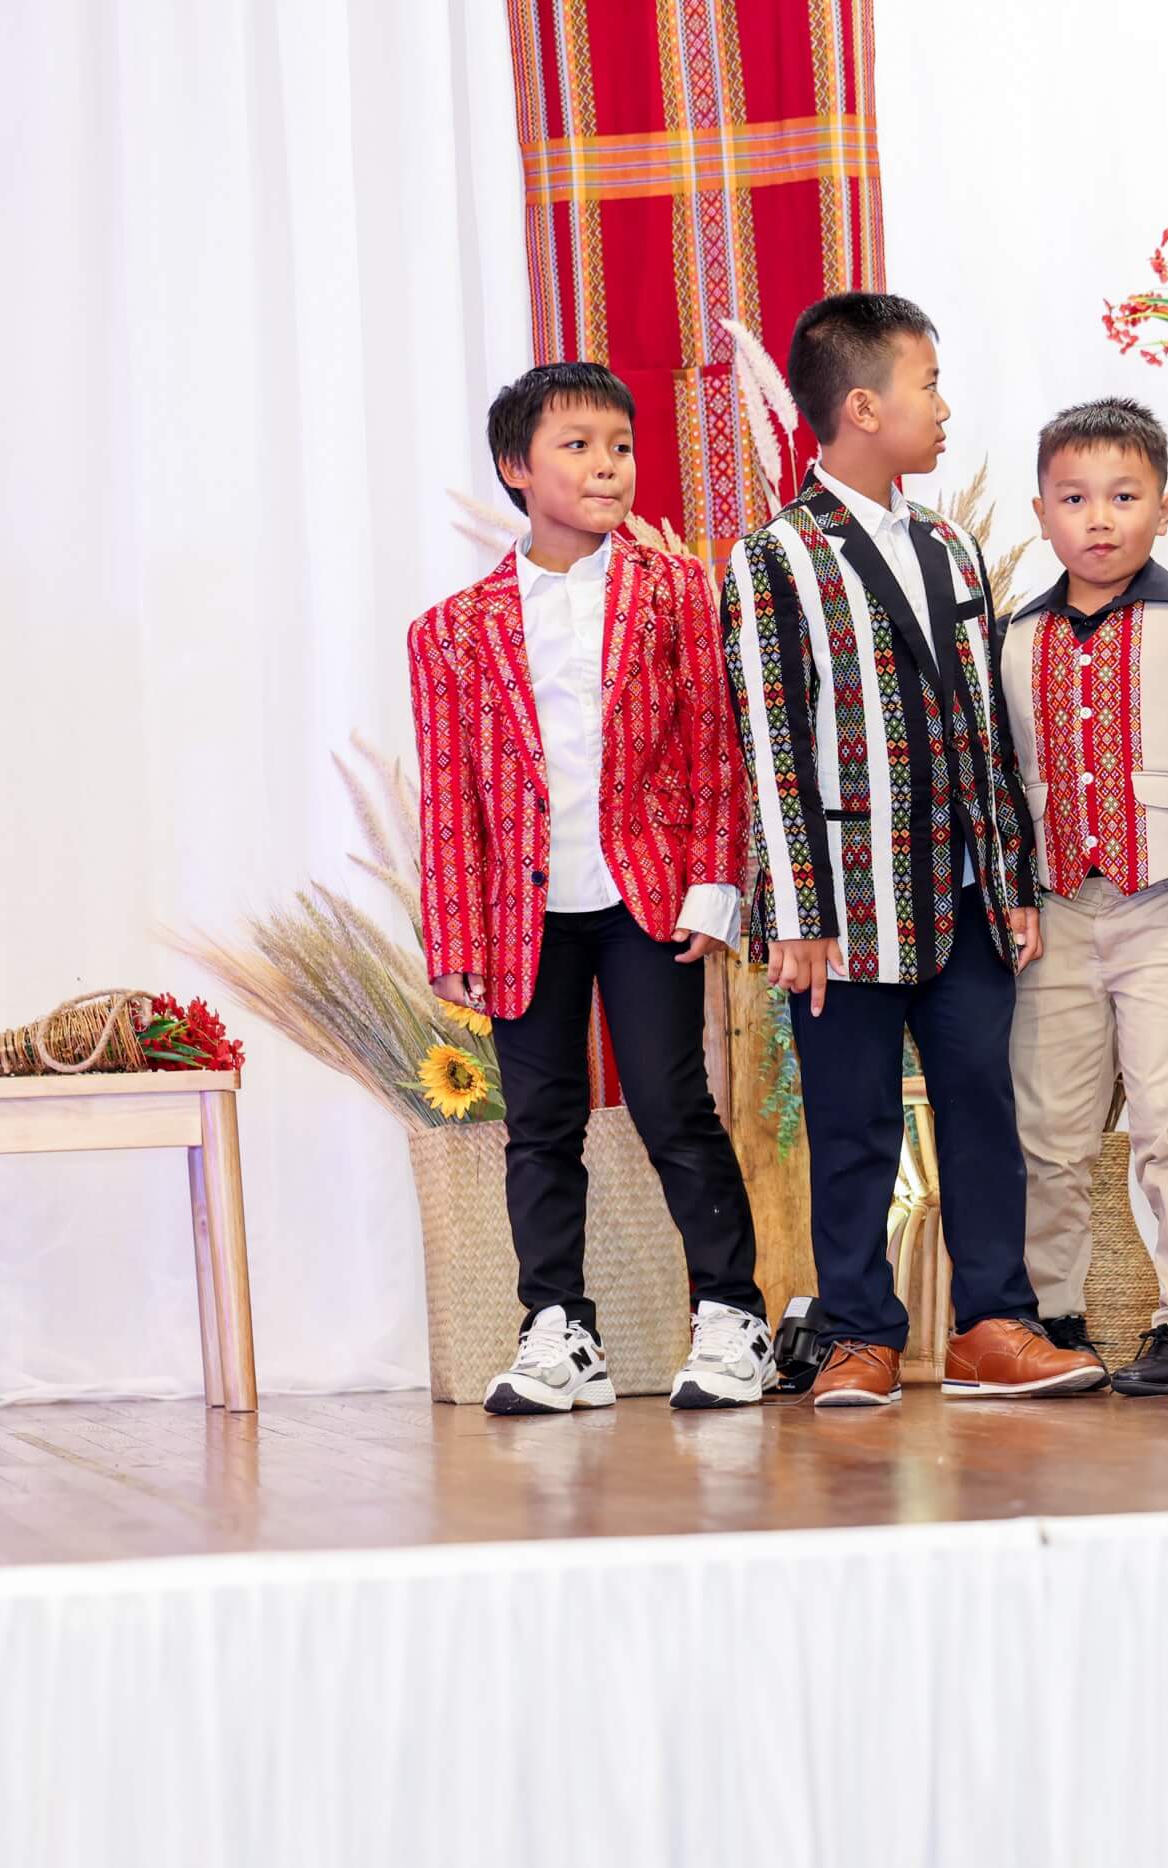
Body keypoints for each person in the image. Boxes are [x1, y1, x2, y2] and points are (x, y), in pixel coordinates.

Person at [721, 291, 1106, 1408]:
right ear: (860, 406)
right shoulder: (775, 557)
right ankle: (860, 1334)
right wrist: (796, 910)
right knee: (851, 1124)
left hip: (968, 892)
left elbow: (985, 723)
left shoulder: (950, 545)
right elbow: (769, 743)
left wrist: (1013, 877)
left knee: (984, 1109)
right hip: (846, 907)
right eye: (926, 384)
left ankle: (993, 1325)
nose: (942, 408)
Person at [407, 361, 773, 1415]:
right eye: (577, 446)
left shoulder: (676, 590)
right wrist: (455, 936)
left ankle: (733, 1317)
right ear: (517, 467)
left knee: (671, 1103)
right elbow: (449, 793)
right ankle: (557, 1329)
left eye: (620, 445)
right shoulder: (452, 629)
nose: (607, 465)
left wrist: (715, 883)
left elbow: (715, 747)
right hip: (524, 916)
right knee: (540, 1122)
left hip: (645, 895)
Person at [1000, 397, 1168, 1396]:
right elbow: (999, 784)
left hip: (1167, 905)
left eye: (1123, 496)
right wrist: (1008, 904)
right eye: (1074, 498)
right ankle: (1051, 1318)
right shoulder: (1013, 635)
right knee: (1049, 1131)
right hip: (1057, 912)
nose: (1098, 518)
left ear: (1164, 506)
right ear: (1040, 512)